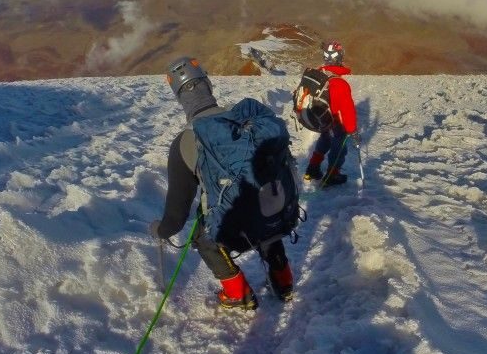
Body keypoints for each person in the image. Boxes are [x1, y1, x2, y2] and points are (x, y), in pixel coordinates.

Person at [150, 56, 294, 310]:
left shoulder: (184, 143)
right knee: (262, 209)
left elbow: (176, 215)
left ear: (179, 97)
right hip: (278, 214)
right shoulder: (245, 120)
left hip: (234, 232)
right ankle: (284, 282)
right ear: (208, 84)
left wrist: (160, 231)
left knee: (201, 237)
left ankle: (237, 293)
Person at [303, 41, 358, 186]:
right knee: (339, 145)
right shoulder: (339, 83)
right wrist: (352, 130)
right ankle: (332, 175)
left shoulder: (320, 75)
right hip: (334, 120)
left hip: (321, 117)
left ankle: (312, 169)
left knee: (325, 138)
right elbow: (347, 110)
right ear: (339, 58)